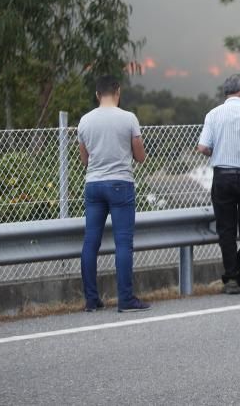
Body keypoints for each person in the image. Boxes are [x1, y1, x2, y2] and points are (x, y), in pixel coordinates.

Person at [78, 75, 150, 313]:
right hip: (121, 184)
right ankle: (126, 299)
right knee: (123, 243)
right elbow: (140, 157)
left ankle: (91, 300)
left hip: (93, 185)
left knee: (91, 242)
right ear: (117, 92)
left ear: (97, 95)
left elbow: (84, 160)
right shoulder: (128, 118)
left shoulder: (85, 121)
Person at [197, 74, 240, 294]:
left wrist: (218, 151)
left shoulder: (213, 114)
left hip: (221, 176)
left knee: (226, 229)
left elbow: (202, 147)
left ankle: (231, 278)